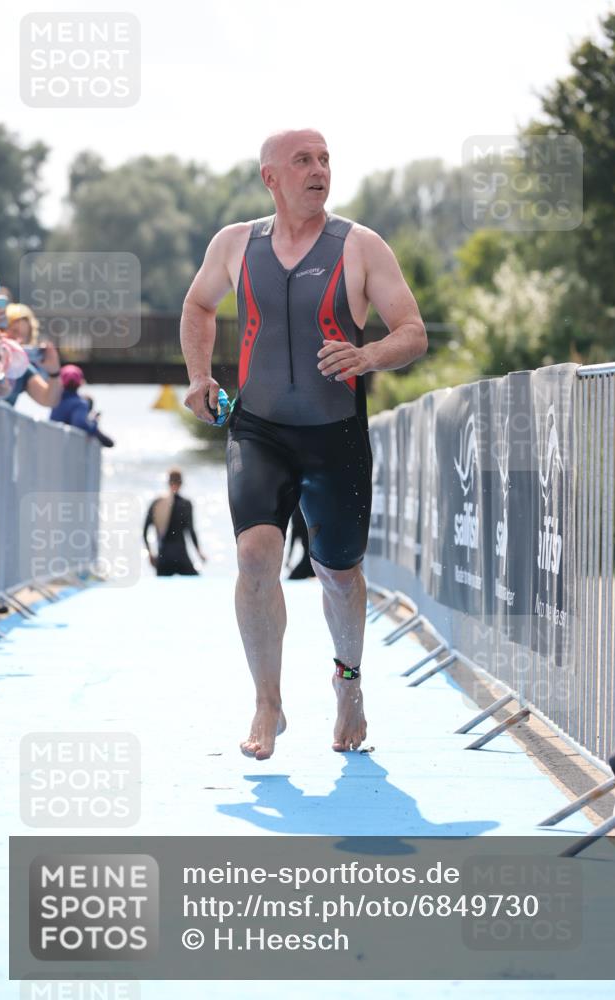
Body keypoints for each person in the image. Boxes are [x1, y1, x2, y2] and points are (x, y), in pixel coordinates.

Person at [181, 128, 427, 760]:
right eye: (303, 161)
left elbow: (412, 331)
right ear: (271, 177)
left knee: (340, 576)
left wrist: (368, 354)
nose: (319, 170)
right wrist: (200, 376)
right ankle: (268, 703)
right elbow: (199, 306)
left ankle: (348, 681)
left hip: (335, 436)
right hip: (258, 429)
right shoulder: (235, 244)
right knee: (255, 555)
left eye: (324, 159)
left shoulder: (360, 246)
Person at [0, 285, 62, 408]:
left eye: (25, 337)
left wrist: (54, 372)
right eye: (14, 332)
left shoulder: (22, 369)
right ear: (0, 327)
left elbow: (48, 400)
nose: (19, 340)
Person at [143, 467, 206, 576]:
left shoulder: (157, 503)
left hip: (163, 557)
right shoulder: (186, 504)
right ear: (181, 483)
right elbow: (190, 530)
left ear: (168, 482)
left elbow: (145, 530)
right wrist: (199, 552)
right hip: (181, 556)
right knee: (196, 582)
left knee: (161, 586)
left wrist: (150, 553)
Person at [49, 364, 115, 447]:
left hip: (53, 446)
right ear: (80, 382)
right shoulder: (80, 404)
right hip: (69, 449)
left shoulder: (55, 401)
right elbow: (80, 423)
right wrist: (94, 422)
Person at [286, 505, 316, 580]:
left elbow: (293, 540)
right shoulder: (301, 515)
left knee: (292, 578)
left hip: (311, 559)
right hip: (313, 558)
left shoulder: (298, 517)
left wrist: (289, 559)